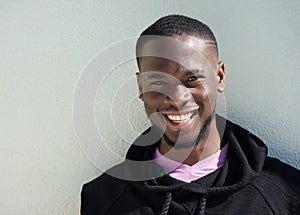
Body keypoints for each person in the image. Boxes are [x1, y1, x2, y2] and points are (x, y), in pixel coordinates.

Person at [80, 14, 299, 215]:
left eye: (192, 79)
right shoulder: (102, 198)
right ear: (141, 87)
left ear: (219, 77)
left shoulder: (284, 194)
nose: (176, 98)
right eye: (158, 82)